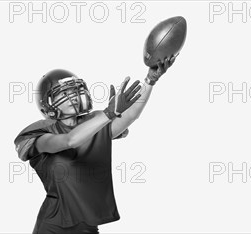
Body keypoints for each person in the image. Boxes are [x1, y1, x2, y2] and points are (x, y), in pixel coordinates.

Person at [14, 56, 175, 234]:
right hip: (53, 225)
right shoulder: (41, 132)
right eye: (62, 94)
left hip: (87, 224)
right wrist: (108, 114)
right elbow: (70, 140)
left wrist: (150, 81)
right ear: (48, 105)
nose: (72, 97)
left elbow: (129, 117)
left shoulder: (93, 123)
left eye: (75, 91)